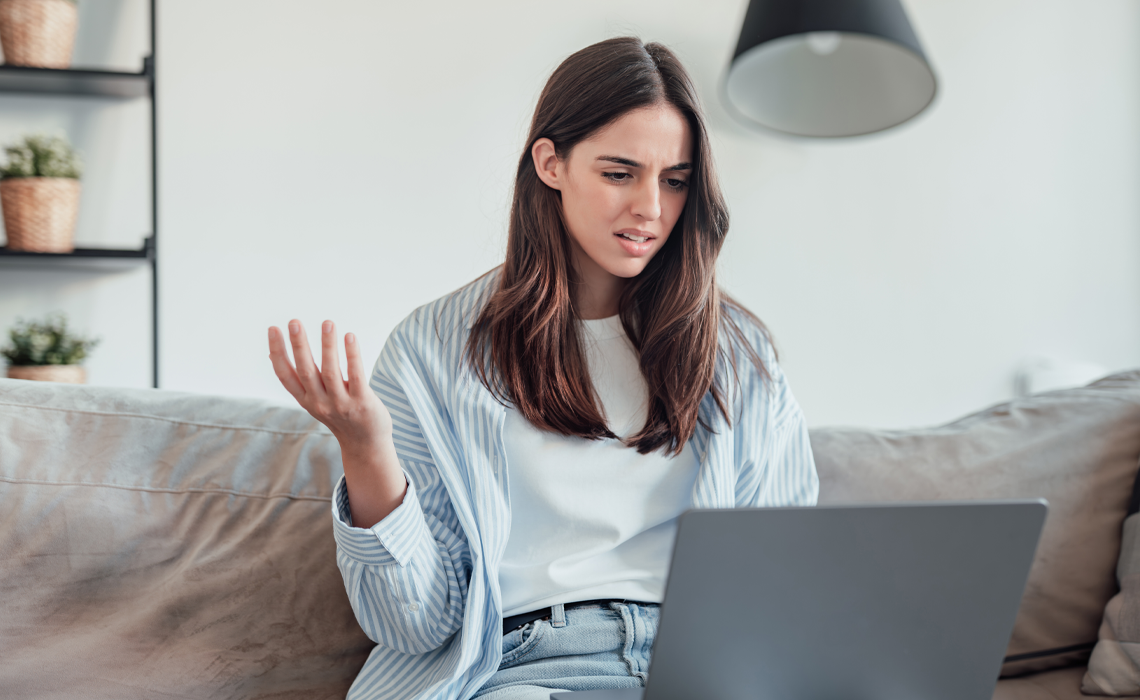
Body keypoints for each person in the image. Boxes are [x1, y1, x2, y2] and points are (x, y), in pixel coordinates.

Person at [268, 36, 818, 700]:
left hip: (699, 672)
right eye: (619, 173)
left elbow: (784, 589)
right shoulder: (432, 351)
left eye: (674, 181)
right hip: (527, 667)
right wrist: (366, 450)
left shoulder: (737, 353)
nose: (651, 207)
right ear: (551, 163)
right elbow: (413, 625)